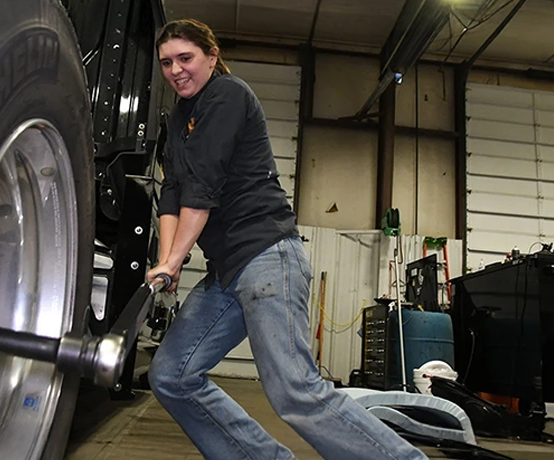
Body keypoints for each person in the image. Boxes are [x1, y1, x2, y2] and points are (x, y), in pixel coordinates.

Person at [146, 18, 427, 460]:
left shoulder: (227, 94)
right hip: (227, 272)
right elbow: (172, 193)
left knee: (295, 390)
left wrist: (176, 260)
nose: (176, 70)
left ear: (211, 56)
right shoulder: (180, 118)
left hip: (266, 256)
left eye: (186, 58)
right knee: (171, 375)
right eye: (167, 62)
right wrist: (164, 264)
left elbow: (202, 187)